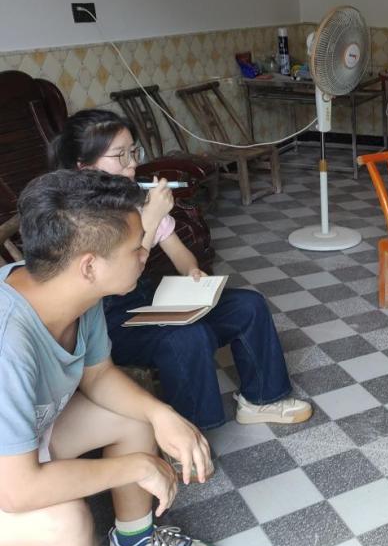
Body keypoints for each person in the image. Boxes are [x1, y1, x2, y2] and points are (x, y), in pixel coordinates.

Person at [0, 170, 220, 546]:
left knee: (132, 414)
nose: (144, 253)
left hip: (21, 445)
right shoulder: (7, 343)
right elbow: (17, 491)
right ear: (89, 265)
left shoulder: (75, 295)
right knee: (63, 524)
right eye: (136, 247)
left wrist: (162, 414)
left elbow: (98, 377)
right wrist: (137, 466)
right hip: (9, 475)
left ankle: (134, 543)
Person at [54, 109, 311, 430]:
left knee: (249, 305)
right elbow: (120, 280)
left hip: (149, 303)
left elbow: (178, 253)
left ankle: (261, 400)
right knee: (188, 336)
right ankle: (190, 433)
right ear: (85, 166)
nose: (132, 164)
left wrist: (193, 273)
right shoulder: (78, 215)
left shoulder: (138, 200)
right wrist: (149, 218)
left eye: (133, 152)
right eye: (120, 156)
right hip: (109, 325)